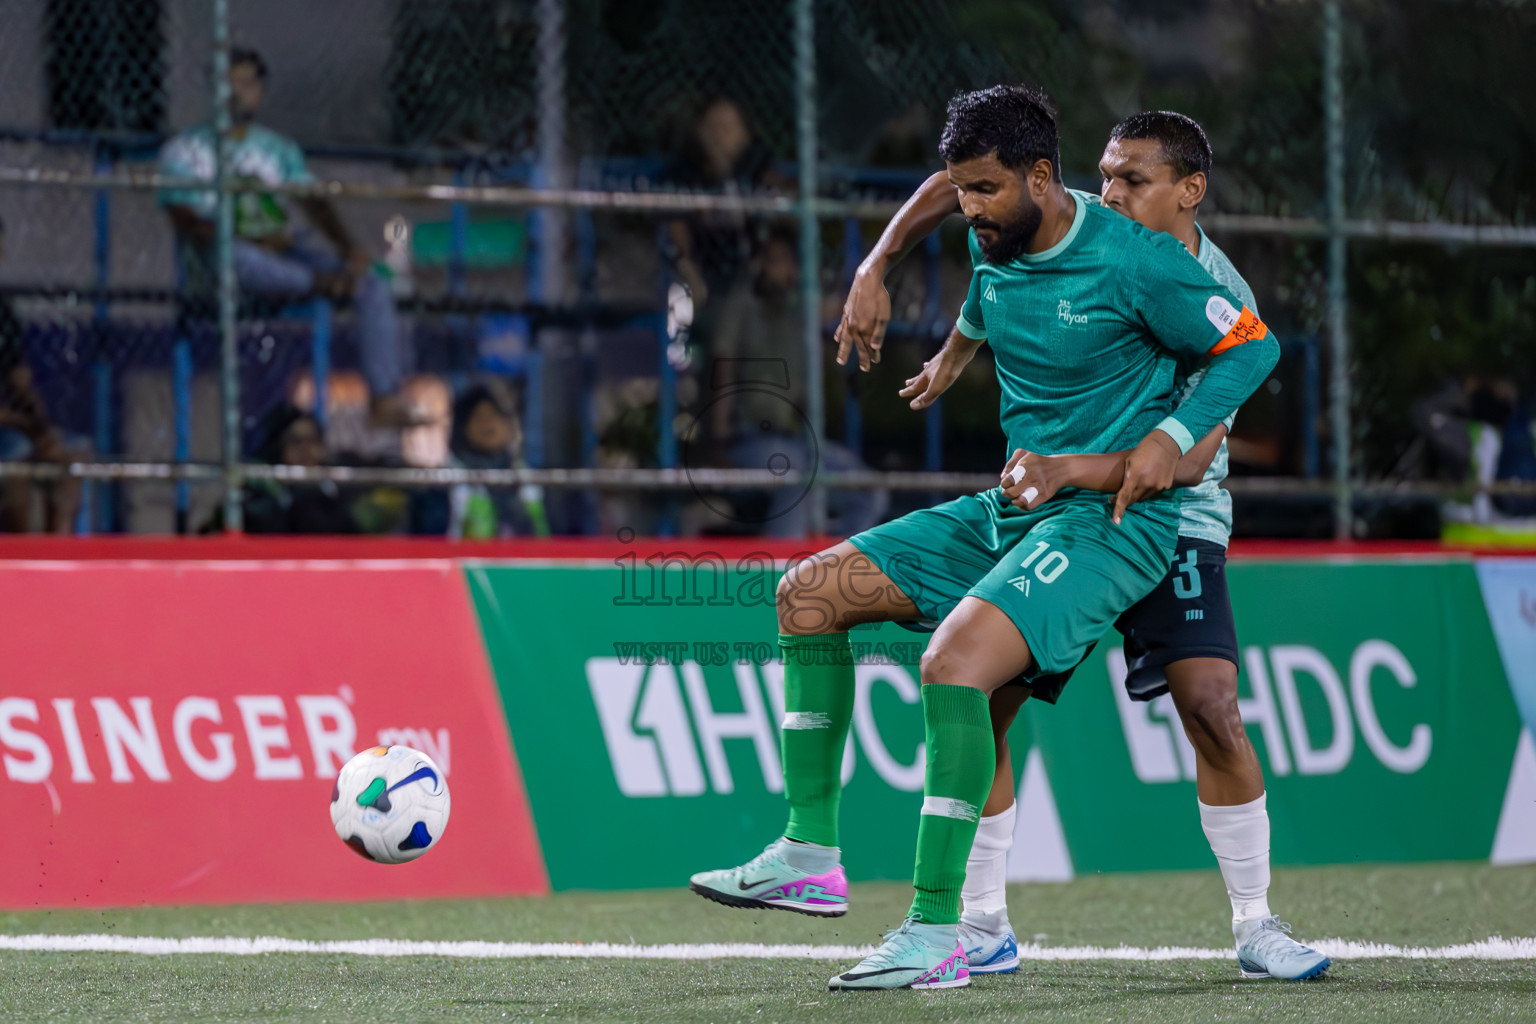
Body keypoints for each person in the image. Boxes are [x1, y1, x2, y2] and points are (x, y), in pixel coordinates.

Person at [687, 85, 1280, 991]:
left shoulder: (1136, 261)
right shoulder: (997, 225)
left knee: (957, 664)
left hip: (1114, 523)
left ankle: (939, 929)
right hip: (1013, 502)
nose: (968, 209)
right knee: (808, 594)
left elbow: (1250, 346)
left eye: (984, 191)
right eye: (961, 190)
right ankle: (809, 851)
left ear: (1041, 179)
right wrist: (876, 268)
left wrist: (1162, 443)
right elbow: (943, 202)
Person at [834, 110, 1330, 982]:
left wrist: (1081, 466)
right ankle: (982, 924)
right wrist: (924, 312)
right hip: (1062, 512)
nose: (1110, 193)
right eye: (1105, 175)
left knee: (1212, 706)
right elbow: (953, 201)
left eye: (1133, 180)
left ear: (1190, 191)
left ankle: (1256, 923)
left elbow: (1194, 455)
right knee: (980, 698)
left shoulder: (1213, 290)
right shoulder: (1064, 232)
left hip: (1173, 522)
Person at [157, 47, 413, 428]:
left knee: (373, 282)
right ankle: (319, 283)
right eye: (229, 83)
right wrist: (246, 238)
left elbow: (310, 201)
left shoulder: (277, 149)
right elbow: (187, 220)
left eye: (248, 83)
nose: (238, 92)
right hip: (222, 263)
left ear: (260, 92)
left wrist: (348, 249)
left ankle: (384, 396)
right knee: (233, 255)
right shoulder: (185, 150)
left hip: (282, 255)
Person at [704, 228, 888, 537]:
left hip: (795, 441)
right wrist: (719, 443)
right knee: (797, 473)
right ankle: (782, 574)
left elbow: (843, 307)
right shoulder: (738, 308)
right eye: (772, 261)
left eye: (787, 262)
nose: (779, 270)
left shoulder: (797, 313)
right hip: (745, 442)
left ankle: (832, 566)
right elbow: (721, 372)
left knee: (869, 491)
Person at [0, 215, 86, 533]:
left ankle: (56, 550)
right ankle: (18, 550)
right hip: (8, 427)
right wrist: (25, 427)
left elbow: (20, 382)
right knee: (14, 451)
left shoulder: (3, 312)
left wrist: (43, 428)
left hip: (12, 422)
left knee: (71, 450)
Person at [411, 383, 549, 539]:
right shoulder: (445, 478)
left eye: (495, 416)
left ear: (509, 425)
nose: (488, 425)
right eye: (480, 417)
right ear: (463, 426)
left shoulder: (526, 476)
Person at [203, 404, 356, 534]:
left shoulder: (340, 486)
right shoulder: (261, 491)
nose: (306, 449)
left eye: (312, 440)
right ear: (279, 448)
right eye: (296, 441)